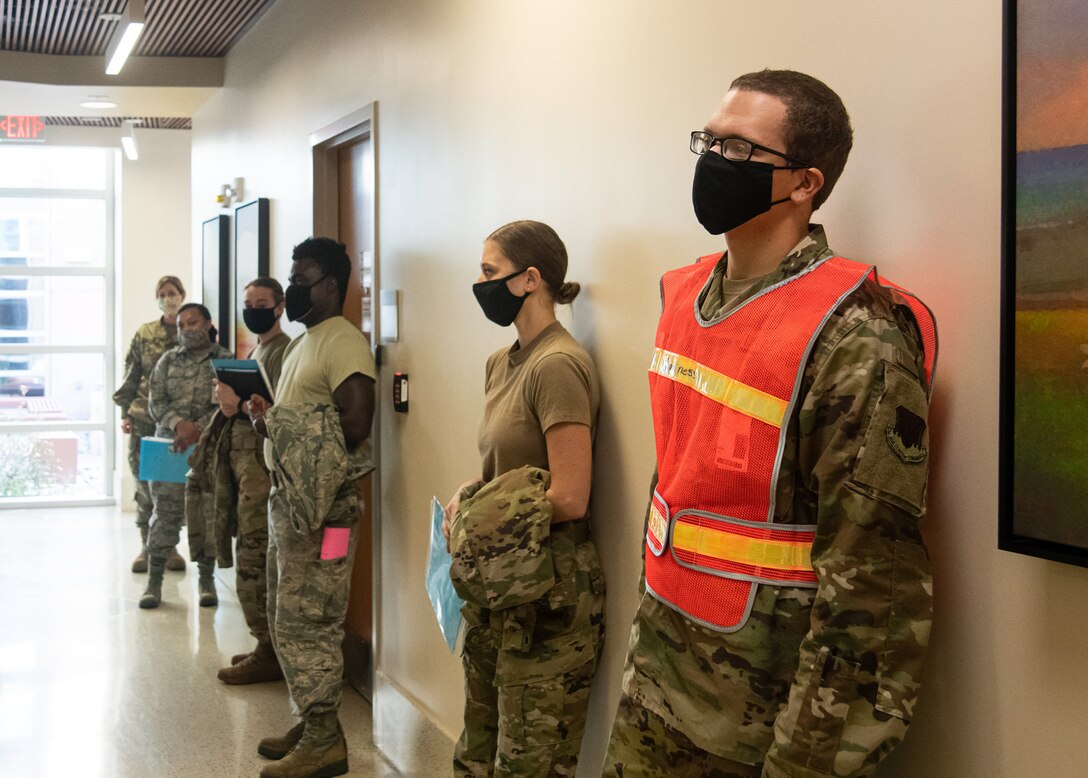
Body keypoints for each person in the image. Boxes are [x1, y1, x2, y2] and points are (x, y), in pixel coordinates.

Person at [604, 70, 938, 778]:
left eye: (740, 148)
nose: (712, 161)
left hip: (760, 723)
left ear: (806, 182)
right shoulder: (685, 295)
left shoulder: (857, 337)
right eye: (709, 140)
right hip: (656, 683)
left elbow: (870, 591)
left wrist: (807, 761)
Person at [443, 220, 606, 777]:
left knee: (527, 765)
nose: (480, 283)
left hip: (548, 597)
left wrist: (473, 524)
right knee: (475, 754)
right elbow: (510, 470)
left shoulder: (557, 365)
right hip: (497, 587)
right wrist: (472, 490)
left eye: (490, 272)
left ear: (530, 279)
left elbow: (569, 495)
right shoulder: (502, 362)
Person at [246, 238, 376, 778]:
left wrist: (278, 423)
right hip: (294, 503)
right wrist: (267, 419)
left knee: (312, 621)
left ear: (329, 285)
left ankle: (326, 738)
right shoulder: (306, 341)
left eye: (302, 279)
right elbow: (301, 418)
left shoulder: (343, 342)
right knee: (287, 614)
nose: (293, 288)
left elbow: (356, 422)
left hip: (328, 514)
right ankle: (311, 720)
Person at [204, 278, 291, 684]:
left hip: (264, 471)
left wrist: (237, 404)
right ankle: (264, 644)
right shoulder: (257, 350)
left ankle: (271, 651)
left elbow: (276, 412)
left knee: (256, 559)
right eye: (247, 303)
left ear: (279, 307)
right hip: (244, 470)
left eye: (261, 303)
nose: (253, 308)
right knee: (248, 553)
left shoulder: (283, 352)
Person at [140, 303, 232, 610]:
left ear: (207, 324)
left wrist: (199, 429)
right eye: (181, 325)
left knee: (206, 517)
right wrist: (179, 424)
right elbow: (156, 401)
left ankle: (206, 580)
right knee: (164, 515)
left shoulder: (226, 361)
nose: (187, 329)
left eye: (193, 323)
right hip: (171, 450)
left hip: (208, 452)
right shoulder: (167, 361)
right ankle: (154, 583)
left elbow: (228, 405)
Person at [113, 275, 188, 573]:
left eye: (172, 293)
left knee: (171, 487)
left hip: (178, 424)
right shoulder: (145, 333)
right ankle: (146, 546)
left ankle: (169, 548)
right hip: (145, 420)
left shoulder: (191, 329)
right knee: (144, 486)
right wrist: (125, 413)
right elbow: (131, 374)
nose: (168, 298)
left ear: (182, 295)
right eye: (162, 293)